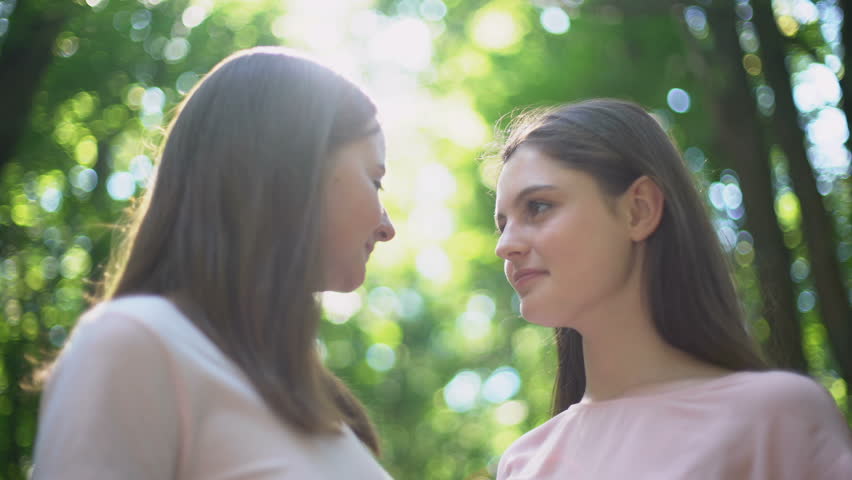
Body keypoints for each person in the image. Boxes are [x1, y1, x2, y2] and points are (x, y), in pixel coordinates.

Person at [33, 47, 396, 479]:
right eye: (375, 180)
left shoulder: (325, 411)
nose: (387, 225)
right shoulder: (134, 342)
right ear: (294, 166)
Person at [492, 98, 852, 479]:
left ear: (639, 210)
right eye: (503, 225)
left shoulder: (776, 417)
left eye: (538, 207)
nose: (505, 245)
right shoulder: (522, 464)